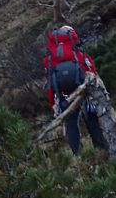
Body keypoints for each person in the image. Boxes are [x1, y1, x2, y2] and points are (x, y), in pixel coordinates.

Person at [44, 25, 106, 156]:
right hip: (86, 93)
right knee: (92, 119)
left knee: (71, 124)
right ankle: (101, 151)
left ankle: (78, 156)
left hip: (63, 96)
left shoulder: (50, 59)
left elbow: (49, 84)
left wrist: (52, 103)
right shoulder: (79, 53)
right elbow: (92, 72)